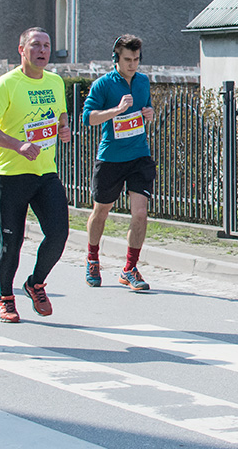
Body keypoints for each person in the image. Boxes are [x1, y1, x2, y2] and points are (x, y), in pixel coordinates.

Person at [0, 27, 71, 323]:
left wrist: (63, 128)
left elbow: (61, 114)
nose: (42, 50)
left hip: (45, 173)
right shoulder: (7, 84)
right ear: (22, 49)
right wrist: (18, 145)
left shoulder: (55, 82)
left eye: (46, 45)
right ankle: (5, 297)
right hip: (11, 176)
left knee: (58, 234)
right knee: (11, 243)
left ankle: (35, 283)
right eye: (35, 45)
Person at [81, 35, 155, 291]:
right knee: (101, 211)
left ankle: (130, 268)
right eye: (127, 60)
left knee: (140, 213)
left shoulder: (143, 81)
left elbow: (147, 109)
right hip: (111, 158)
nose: (132, 65)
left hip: (139, 155)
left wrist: (149, 114)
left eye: (136, 59)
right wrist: (115, 111)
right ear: (116, 58)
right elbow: (88, 118)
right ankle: (92, 259)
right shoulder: (103, 85)